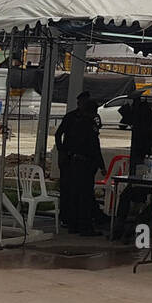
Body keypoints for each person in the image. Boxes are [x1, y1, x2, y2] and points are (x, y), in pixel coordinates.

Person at [53, 91, 91, 233]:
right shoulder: (71, 117)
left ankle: (75, 218)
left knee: (77, 191)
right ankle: (65, 217)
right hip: (68, 157)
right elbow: (58, 134)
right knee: (66, 188)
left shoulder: (89, 118)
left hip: (80, 160)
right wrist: (61, 150)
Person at [70, 96, 107, 235]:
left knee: (76, 195)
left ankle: (73, 225)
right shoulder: (90, 126)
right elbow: (94, 147)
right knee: (85, 196)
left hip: (75, 162)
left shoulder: (76, 123)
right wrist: (102, 166)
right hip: (85, 165)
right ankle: (85, 227)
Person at [129, 91, 152, 172]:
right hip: (145, 144)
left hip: (140, 145)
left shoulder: (140, 114)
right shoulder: (148, 113)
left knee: (140, 165)